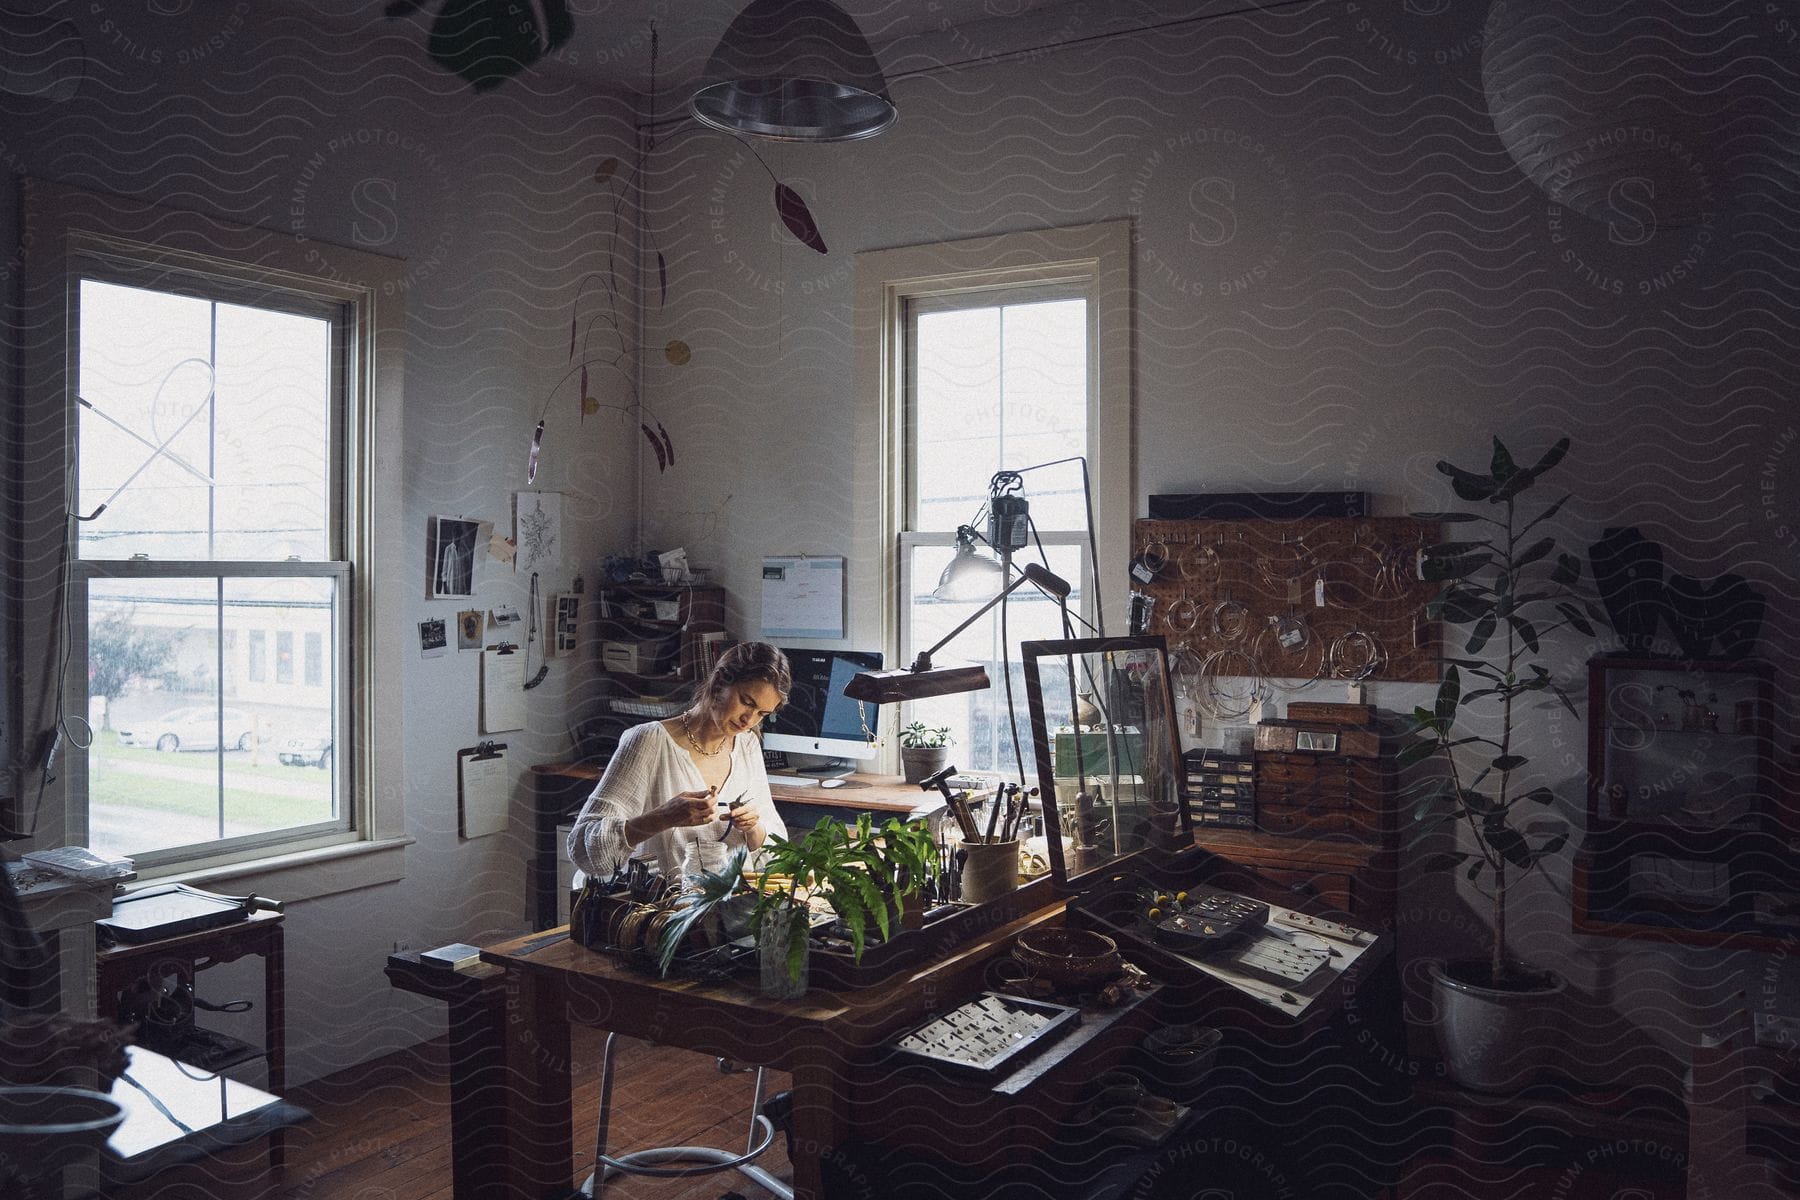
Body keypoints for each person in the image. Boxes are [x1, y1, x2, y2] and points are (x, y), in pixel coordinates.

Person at [567, 641, 790, 883]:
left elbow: (776, 853)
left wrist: (753, 829)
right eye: (747, 702)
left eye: (762, 714)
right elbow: (583, 850)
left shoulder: (747, 744)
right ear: (719, 683)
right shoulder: (649, 741)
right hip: (660, 909)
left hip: (727, 905)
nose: (749, 720)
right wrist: (663, 817)